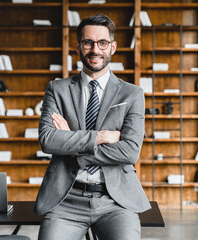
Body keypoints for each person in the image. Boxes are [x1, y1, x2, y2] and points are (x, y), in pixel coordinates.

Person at [34, 14, 151, 240]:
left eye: (102, 43)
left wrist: (72, 143)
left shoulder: (132, 94)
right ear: (78, 47)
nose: (95, 50)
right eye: (88, 42)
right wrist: (101, 136)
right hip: (65, 200)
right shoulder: (57, 89)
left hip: (115, 201)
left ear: (112, 47)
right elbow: (48, 140)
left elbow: (129, 152)